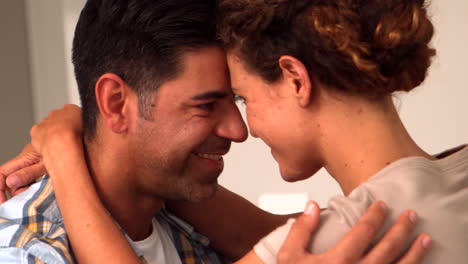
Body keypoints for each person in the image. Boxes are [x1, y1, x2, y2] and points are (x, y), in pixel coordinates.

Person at [0, 0, 431, 263]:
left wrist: (64, 150)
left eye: (238, 99)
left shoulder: (204, 235)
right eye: (207, 104)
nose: (237, 130)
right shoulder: (26, 252)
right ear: (116, 103)